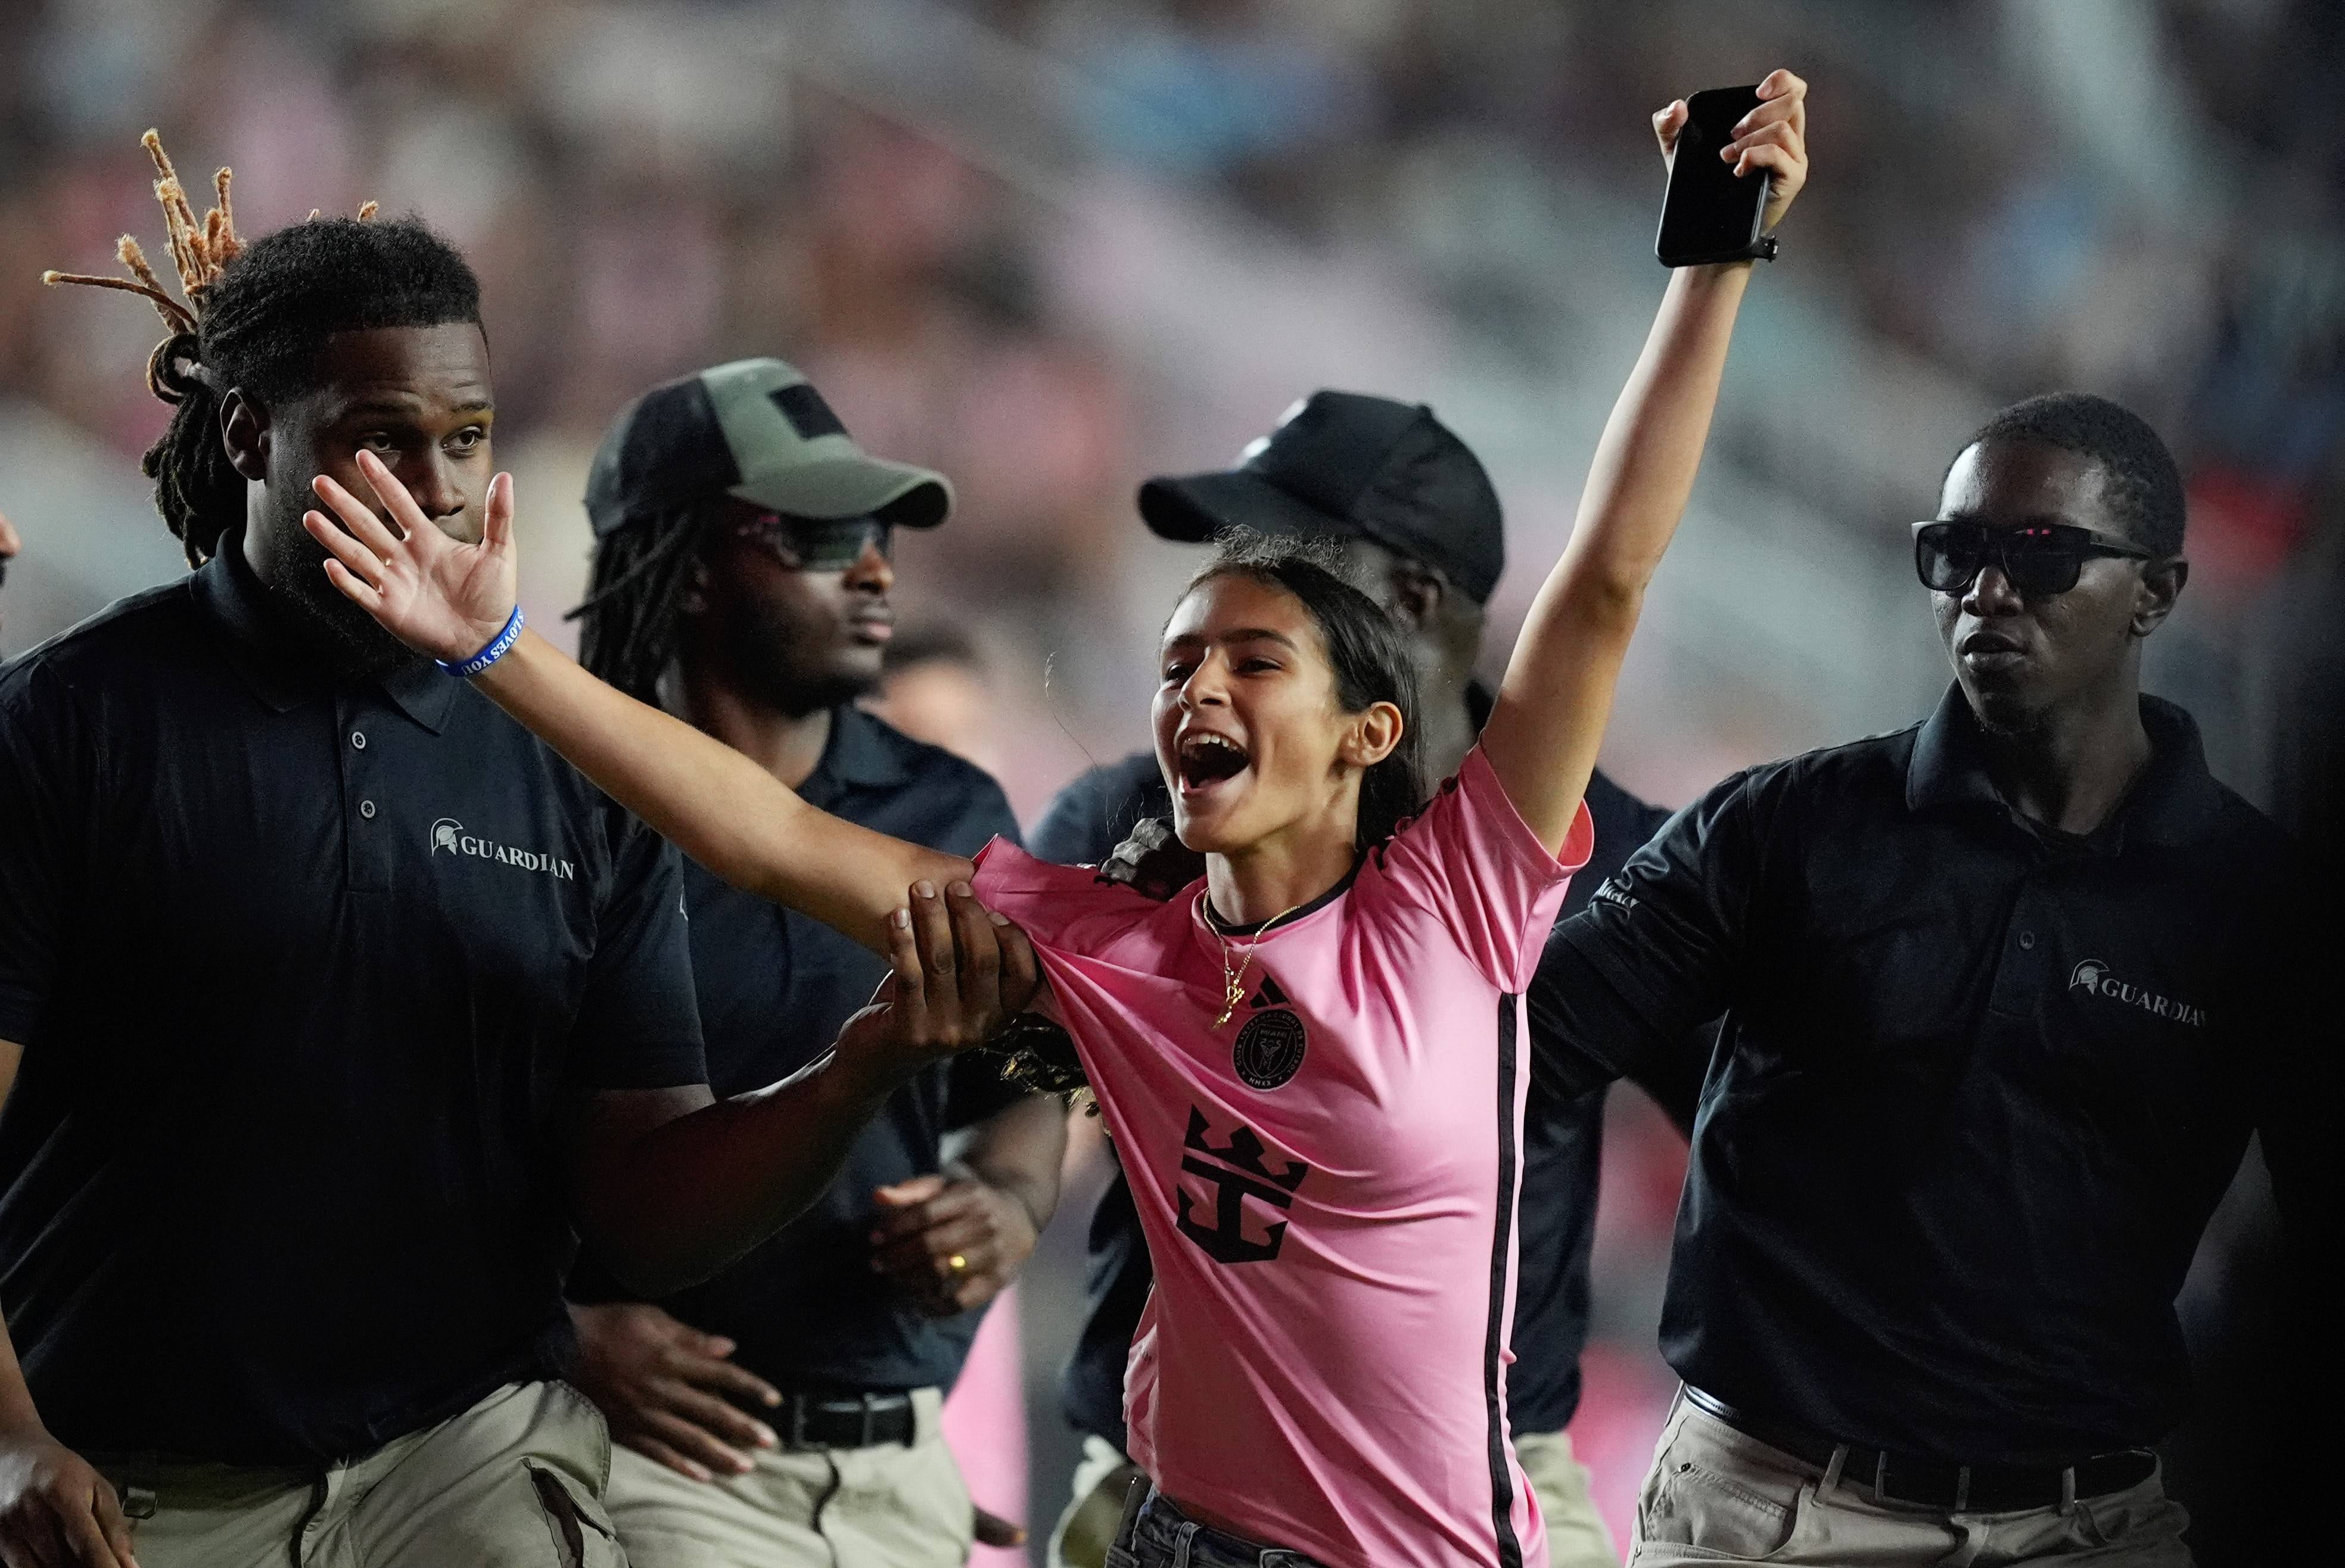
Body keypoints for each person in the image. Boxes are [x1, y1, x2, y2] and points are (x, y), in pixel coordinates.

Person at [300, 73, 1809, 1567]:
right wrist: (495, 649)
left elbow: (1606, 574)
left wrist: (1711, 265)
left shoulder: (1463, 899)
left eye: (1253, 659)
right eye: (1175, 662)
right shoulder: (1113, 947)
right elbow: (768, 836)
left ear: (1371, 729)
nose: (1193, 687)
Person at [0, 140, 1030, 1568]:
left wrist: (860, 1067)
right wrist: (6, 1432)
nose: (433, 480)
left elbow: (648, 1208)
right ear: (248, 432)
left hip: (465, 1454)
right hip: (148, 1485)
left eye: (468, 435)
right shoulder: (71, 720)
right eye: (383, 432)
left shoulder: (571, 762)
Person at [1529, 393, 2331, 1566]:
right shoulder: (1786, 826)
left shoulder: (2260, 910)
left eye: (2042, 555)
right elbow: (1520, 1048)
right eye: (1957, 553)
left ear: (2157, 592)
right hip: (1762, 1513)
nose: (1987, 591)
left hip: (2086, 1527)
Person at [1030, 392, 1703, 1568]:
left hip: (1475, 1485)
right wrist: (996, 1181)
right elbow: (1015, 1086)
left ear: (1415, 599)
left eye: (1290, 553)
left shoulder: (1595, 865)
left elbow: (1748, 1121)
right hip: (1154, 1472)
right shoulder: (1143, 814)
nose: (1246, 576)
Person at [558, 359, 1065, 1568]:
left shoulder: (947, 801)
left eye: (880, 530)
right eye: (823, 533)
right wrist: (550, 1329)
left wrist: (1004, 1200)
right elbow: (405, 1132)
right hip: (644, 1464)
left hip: (899, 1473)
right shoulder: (546, 801)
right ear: (682, 562)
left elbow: (1023, 1092)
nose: (877, 566)